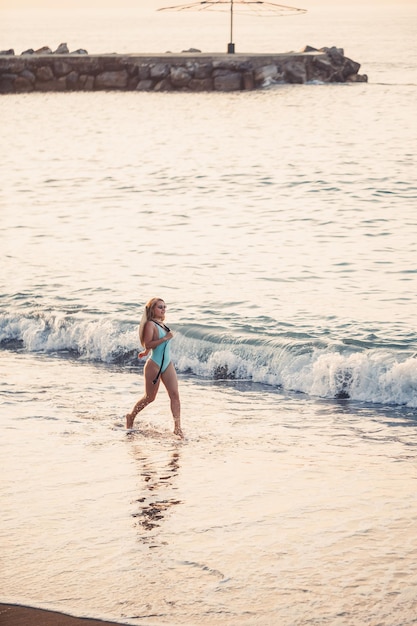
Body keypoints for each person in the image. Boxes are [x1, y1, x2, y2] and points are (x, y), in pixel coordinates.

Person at [126, 297, 183, 438]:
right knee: (150, 397)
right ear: (152, 309)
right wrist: (164, 339)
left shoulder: (161, 324)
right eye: (160, 307)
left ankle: (177, 428)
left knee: (175, 395)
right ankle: (130, 416)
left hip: (167, 364)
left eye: (164, 307)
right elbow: (148, 344)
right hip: (154, 365)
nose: (163, 309)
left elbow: (152, 346)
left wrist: (145, 352)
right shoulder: (150, 324)